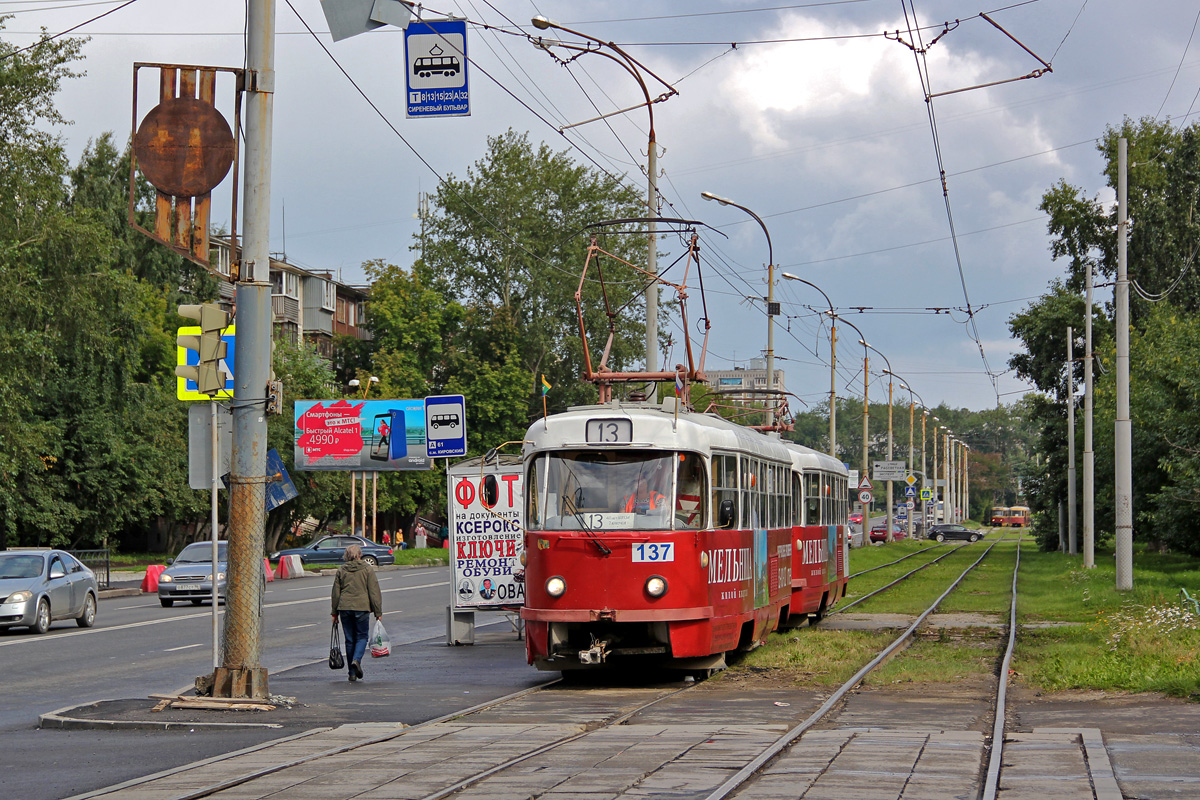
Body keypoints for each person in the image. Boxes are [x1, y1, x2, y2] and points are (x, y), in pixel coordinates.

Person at [331, 544, 382, 683]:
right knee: (362, 637)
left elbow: (336, 593)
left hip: (344, 608)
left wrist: (334, 612)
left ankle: (351, 673)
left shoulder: (341, 570)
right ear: (360, 555)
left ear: (346, 556)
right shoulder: (367, 569)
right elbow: (374, 591)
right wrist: (378, 611)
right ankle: (356, 660)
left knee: (349, 640)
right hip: (362, 608)